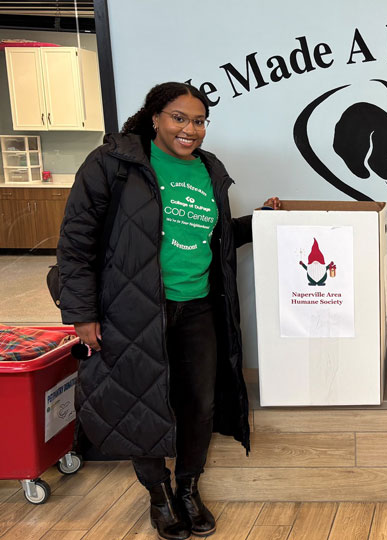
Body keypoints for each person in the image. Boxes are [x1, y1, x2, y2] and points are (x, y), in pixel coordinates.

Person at [57, 82, 280, 540]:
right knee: (142, 401)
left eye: (199, 121)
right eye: (179, 118)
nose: (190, 129)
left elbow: (212, 237)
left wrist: (260, 220)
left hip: (198, 307)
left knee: (198, 404)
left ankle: (189, 489)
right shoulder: (113, 165)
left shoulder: (208, 170)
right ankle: (159, 497)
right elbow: (76, 244)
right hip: (133, 308)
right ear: (155, 117)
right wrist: (82, 315)